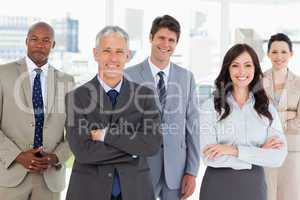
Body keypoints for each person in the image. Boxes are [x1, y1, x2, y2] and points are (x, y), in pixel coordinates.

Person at [65, 26, 162, 200]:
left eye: (119, 51)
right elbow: (83, 151)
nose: (113, 58)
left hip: (136, 190)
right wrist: (133, 151)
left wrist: (105, 136)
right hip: (89, 191)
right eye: (107, 51)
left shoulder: (145, 96)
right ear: (95, 53)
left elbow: (151, 144)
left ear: (128, 55)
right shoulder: (76, 97)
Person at [199, 44, 288, 200]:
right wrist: (259, 151)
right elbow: (209, 156)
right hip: (217, 187)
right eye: (235, 65)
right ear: (227, 69)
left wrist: (232, 150)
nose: (242, 72)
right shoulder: (210, 106)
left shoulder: (266, 108)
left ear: (255, 69)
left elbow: (277, 157)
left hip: (254, 187)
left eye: (248, 65)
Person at [126, 15, 200, 200]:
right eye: (161, 38)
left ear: (176, 44)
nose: (166, 44)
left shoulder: (186, 78)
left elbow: (193, 127)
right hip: (140, 167)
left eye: (171, 40)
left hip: (176, 170)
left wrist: (192, 171)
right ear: (151, 38)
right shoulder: (129, 76)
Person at [0, 22, 74, 199]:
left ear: (53, 45)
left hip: (50, 179)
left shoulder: (67, 81)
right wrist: (17, 155)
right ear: (26, 41)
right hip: (10, 174)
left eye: (46, 40)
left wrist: (55, 157)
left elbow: (75, 131)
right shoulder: (3, 74)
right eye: (34, 39)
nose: (40, 44)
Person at [263, 33, 300, 200]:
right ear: (268, 54)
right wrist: (287, 114)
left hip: (292, 151)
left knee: (289, 195)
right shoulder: (257, 81)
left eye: (284, 52)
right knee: (266, 195)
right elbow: (254, 117)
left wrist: (274, 120)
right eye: (275, 52)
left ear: (291, 54)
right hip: (264, 148)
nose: (279, 56)